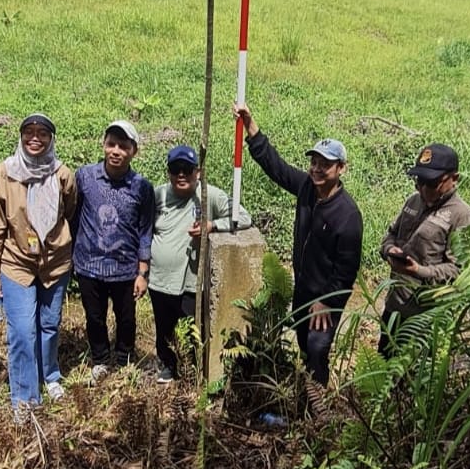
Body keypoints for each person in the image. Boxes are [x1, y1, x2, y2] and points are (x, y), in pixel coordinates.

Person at [234, 104, 363, 387]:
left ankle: (317, 414)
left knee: (317, 350)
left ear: (341, 168)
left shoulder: (348, 215)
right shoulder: (307, 187)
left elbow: (346, 271)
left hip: (326, 297)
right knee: (304, 346)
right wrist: (251, 127)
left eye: (325, 164)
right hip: (303, 288)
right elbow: (276, 168)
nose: (317, 169)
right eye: (314, 162)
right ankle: (303, 398)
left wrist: (327, 302)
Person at [0, 114, 77, 421]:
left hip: (55, 263)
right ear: (20, 137)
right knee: (21, 331)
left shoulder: (62, 174)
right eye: (29, 132)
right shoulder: (5, 173)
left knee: (48, 325)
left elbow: (69, 213)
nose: (35, 138)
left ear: (51, 139)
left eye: (43, 133)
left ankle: (50, 376)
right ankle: (25, 398)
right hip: (16, 263)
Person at [149, 145, 252, 384]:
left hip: (191, 280)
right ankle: (167, 365)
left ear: (198, 172)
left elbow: (243, 218)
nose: (181, 175)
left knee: (192, 326)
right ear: (169, 172)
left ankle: (193, 369)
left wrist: (212, 225)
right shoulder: (158, 196)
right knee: (164, 326)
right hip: (160, 278)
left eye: (187, 169)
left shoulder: (210, 196)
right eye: (176, 169)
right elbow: (144, 229)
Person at [72, 120, 154, 383]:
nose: (116, 151)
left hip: (124, 268)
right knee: (94, 317)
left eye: (123, 146)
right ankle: (99, 359)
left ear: (134, 151)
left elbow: (145, 231)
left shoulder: (142, 187)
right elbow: (74, 217)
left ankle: (124, 359)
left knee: (127, 320)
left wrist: (143, 271)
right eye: (111, 144)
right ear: (103, 145)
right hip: (89, 265)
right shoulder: (85, 177)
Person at [378, 143, 470, 355]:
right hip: (395, 306)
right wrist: (388, 250)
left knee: (411, 376)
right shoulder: (414, 201)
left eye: (431, 184)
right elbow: (392, 234)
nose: (423, 189)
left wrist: (419, 271)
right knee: (382, 369)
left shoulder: (462, 217)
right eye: (419, 181)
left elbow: (461, 272)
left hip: (425, 317)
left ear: (454, 179)